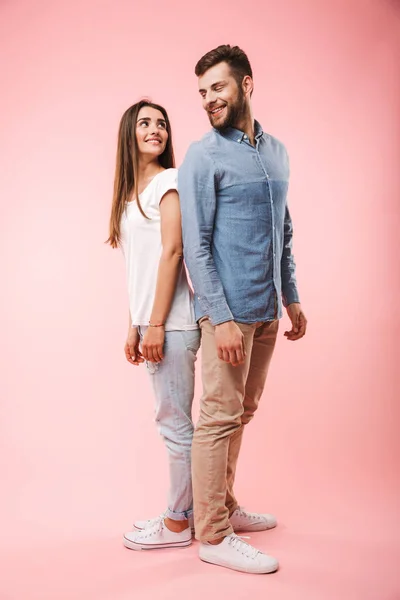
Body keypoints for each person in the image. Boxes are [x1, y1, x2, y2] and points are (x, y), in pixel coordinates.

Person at [178, 45, 307, 574]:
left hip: (267, 314)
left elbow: (285, 230)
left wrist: (291, 296)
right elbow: (196, 244)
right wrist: (221, 316)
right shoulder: (202, 155)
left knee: (242, 414)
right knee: (218, 418)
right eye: (203, 91)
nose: (209, 99)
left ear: (246, 84)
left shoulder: (276, 151)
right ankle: (213, 533)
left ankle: (225, 505)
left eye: (218, 87)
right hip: (226, 315)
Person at [107, 100, 200, 551]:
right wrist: (133, 325)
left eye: (161, 123)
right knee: (174, 422)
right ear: (130, 133)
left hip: (174, 325)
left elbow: (172, 253)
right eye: (145, 123)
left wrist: (156, 325)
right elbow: (136, 270)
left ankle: (179, 522)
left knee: (175, 425)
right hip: (152, 323)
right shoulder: (126, 199)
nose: (156, 129)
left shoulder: (170, 180)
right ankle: (196, 510)